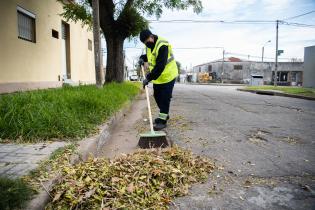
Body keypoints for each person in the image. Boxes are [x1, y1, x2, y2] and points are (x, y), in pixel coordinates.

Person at [139, 29, 178, 130]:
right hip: (158, 78)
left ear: (151, 37)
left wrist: (148, 78)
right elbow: (149, 56)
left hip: (168, 75)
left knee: (165, 98)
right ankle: (164, 113)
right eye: (144, 43)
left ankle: (162, 120)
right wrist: (142, 58)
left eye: (147, 42)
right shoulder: (149, 46)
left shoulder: (162, 45)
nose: (146, 44)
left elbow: (160, 66)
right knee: (157, 96)